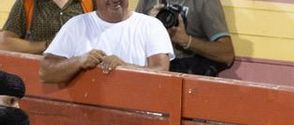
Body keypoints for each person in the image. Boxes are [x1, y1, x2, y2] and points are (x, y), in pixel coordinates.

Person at [39, 0, 171, 83]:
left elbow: (162, 72)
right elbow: (45, 71)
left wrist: (124, 67)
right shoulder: (75, 25)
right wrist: (79, 61)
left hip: (137, 110)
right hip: (84, 112)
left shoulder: (151, 25)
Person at [136, 0, 233, 76]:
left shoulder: (205, 2)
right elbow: (133, 37)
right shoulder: (148, 2)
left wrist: (186, 41)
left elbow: (227, 55)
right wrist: (148, 24)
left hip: (184, 72)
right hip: (151, 69)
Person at [0, 0, 92, 55]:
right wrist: (48, 45)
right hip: (35, 75)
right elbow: (3, 43)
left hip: (83, 76)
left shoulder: (90, 3)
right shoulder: (27, 3)